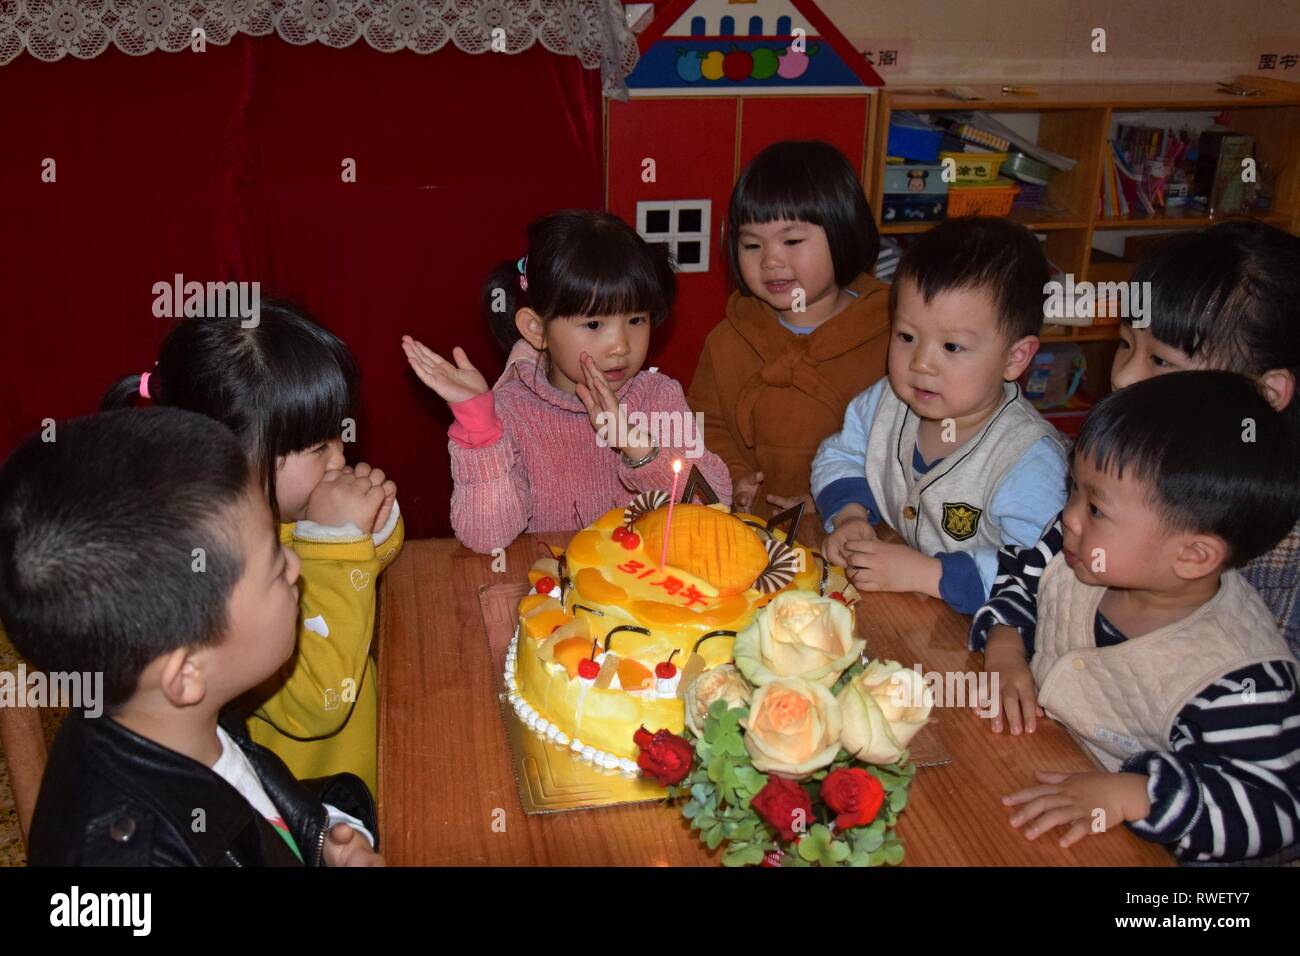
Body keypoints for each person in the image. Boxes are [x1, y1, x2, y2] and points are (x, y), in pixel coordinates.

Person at [0, 408, 383, 866]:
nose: (296, 565)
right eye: (276, 566)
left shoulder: (167, 713)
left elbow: (250, 790)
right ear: (186, 673)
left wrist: (323, 838)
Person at [994, 373, 1300, 863]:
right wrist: (1006, 646)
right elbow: (1019, 575)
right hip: (1031, 775)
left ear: (1193, 555)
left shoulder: (1240, 677)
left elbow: (1275, 811)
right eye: (1075, 489)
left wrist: (1133, 795)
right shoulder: (1076, 545)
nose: (1069, 517)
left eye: (1095, 507)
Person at [101, 303, 402, 796]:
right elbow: (320, 702)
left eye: (337, 435)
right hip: (303, 803)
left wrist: (371, 522)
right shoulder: (215, 584)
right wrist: (338, 542)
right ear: (227, 457)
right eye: (318, 447)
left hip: (365, 767)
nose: (341, 457)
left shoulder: (275, 509)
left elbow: (363, 568)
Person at [403, 209, 731, 553]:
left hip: (642, 597)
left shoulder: (659, 397)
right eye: (594, 325)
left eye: (636, 319)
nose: (621, 346)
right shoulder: (512, 410)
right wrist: (479, 427)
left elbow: (714, 504)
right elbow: (488, 538)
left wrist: (637, 447)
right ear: (535, 328)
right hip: (550, 597)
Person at [813, 217, 1067, 613]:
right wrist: (849, 515)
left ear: (1015, 358)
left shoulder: (1028, 460)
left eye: (951, 346)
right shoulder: (885, 401)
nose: (921, 364)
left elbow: (1042, 572)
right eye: (907, 337)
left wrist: (926, 574)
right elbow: (841, 454)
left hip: (989, 641)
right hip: (910, 616)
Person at [689, 140, 892, 524]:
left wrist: (841, 500)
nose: (770, 260)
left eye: (792, 241)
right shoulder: (727, 340)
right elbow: (705, 424)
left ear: (844, 233)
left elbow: (905, 447)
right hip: (754, 532)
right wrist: (734, 478)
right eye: (751, 244)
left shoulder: (893, 338)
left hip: (859, 534)